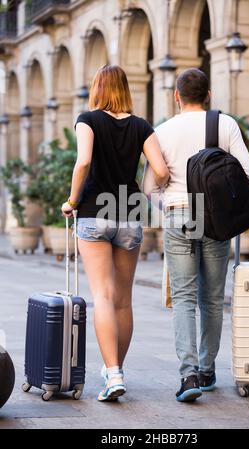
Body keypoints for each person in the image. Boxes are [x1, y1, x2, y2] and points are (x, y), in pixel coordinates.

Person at [143, 68, 249, 402]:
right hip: (216, 219)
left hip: (179, 215)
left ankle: (189, 376)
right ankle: (208, 369)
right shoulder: (225, 125)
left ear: (176, 96)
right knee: (212, 297)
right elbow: (248, 175)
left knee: (183, 297)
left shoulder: (161, 131)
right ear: (208, 95)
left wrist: (167, 205)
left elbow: (148, 186)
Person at [61, 64, 169, 401]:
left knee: (103, 297)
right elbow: (161, 169)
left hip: (94, 212)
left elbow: (83, 162)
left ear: (98, 89)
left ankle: (113, 374)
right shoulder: (141, 126)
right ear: (125, 89)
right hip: (129, 213)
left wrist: (71, 201)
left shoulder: (88, 119)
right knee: (123, 300)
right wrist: (148, 189)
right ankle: (115, 370)